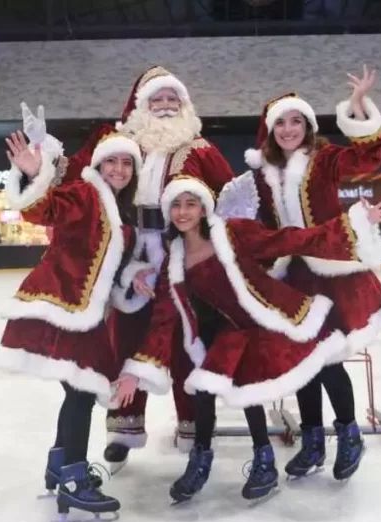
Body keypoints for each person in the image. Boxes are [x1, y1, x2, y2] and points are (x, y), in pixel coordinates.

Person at [113, 176, 381, 502]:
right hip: (236, 330)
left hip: (278, 316)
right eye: (176, 205)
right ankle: (207, 461)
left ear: (204, 208)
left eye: (190, 203)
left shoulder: (233, 232)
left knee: (325, 363)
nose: (182, 212)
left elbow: (291, 240)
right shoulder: (173, 262)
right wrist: (135, 371)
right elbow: (163, 321)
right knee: (207, 387)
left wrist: (356, 223)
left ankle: (344, 438)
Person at [40, 66, 236, 470]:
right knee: (125, 339)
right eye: (156, 100)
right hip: (129, 257)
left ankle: (194, 429)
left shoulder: (201, 150)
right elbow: (76, 176)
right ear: (140, 105)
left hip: (181, 256)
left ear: (185, 105)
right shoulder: (120, 145)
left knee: (187, 344)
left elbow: (231, 200)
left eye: (172, 100)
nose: (165, 107)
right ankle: (124, 429)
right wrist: (44, 155)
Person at [215, 65, 381, 480]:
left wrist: (359, 109)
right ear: (270, 130)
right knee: (301, 360)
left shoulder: (325, 159)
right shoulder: (260, 176)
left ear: (309, 127)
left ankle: (348, 434)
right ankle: (313, 439)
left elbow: (366, 157)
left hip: (332, 272)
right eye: (281, 122)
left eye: (297, 121)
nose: (289, 129)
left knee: (328, 359)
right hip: (291, 276)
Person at [0, 119, 147, 521]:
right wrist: (33, 173)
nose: (118, 169)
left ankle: (61, 465)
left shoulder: (121, 211)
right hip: (60, 305)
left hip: (85, 312)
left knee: (77, 393)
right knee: (81, 392)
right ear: (98, 165)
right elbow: (44, 209)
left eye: (126, 164)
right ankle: (74, 480)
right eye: (111, 161)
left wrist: (136, 277)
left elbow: (114, 270)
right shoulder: (85, 193)